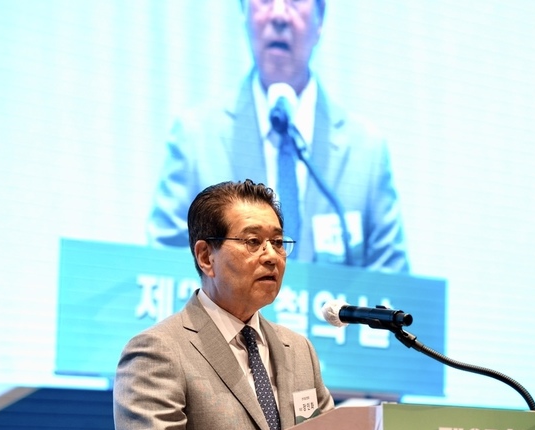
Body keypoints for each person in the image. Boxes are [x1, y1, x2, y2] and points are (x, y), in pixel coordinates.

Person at [114, 179, 335, 430]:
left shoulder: (298, 350)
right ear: (205, 257)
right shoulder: (159, 347)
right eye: (253, 241)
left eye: (278, 242)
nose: (271, 256)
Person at [146, 0, 409, 272]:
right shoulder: (196, 139)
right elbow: (165, 268)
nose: (280, 14)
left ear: (320, 18)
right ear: (244, 12)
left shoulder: (366, 153)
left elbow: (392, 281)